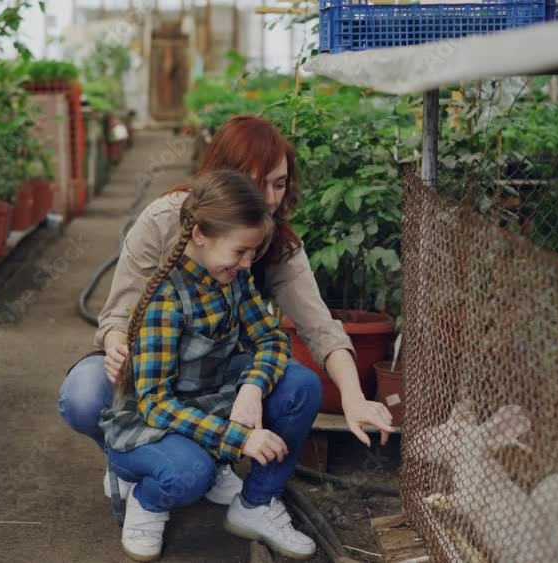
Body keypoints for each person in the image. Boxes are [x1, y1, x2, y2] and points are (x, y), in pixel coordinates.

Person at [58, 114, 394, 506]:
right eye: (256, 182)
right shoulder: (165, 219)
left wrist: (352, 397)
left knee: (298, 383)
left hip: (216, 370)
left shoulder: (276, 242)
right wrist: (119, 345)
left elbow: (320, 329)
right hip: (151, 363)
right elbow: (117, 315)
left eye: (280, 183)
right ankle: (137, 460)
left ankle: (246, 495)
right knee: (83, 395)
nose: (269, 199)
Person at [101, 170, 318, 560]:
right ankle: (147, 499)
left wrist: (252, 387)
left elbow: (271, 339)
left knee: (302, 385)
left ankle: (255, 503)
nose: (248, 262)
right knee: (191, 475)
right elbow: (154, 404)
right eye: (240, 251)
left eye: (253, 252)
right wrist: (241, 439)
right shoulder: (166, 301)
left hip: (205, 410)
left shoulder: (233, 280)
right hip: (151, 427)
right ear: (200, 234)